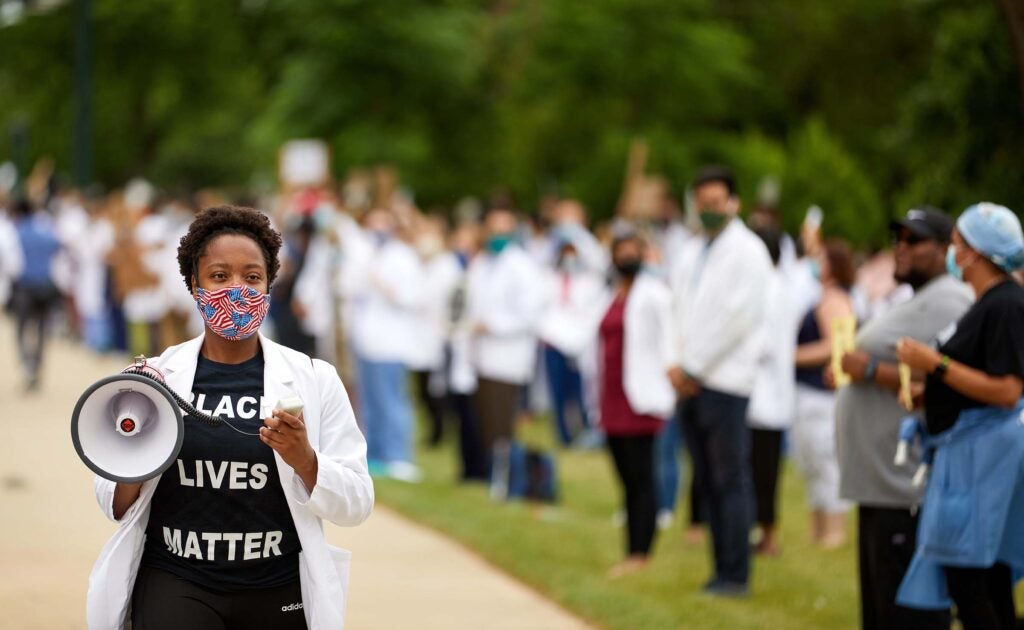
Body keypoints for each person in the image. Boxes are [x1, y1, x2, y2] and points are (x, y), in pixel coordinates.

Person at [87, 205, 373, 630]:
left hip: (278, 587)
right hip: (178, 579)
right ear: (193, 284)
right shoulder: (159, 377)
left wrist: (306, 460)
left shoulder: (314, 379)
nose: (237, 290)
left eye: (252, 277)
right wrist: (139, 441)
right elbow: (113, 501)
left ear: (269, 284)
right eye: (219, 276)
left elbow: (357, 503)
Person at [835, 207, 970, 629]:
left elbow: (956, 379)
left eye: (915, 240)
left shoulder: (950, 298)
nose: (902, 248)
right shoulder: (922, 297)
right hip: (880, 482)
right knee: (880, 607)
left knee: (904, 612)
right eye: (898, 239)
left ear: (948, 249)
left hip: (903, 485)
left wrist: (872, 371)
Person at [896, 202, 1024, 630]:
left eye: (957, 243)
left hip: (981, 458)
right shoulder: (987, 303)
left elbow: (1007, 390)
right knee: (985, 576)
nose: (953, 251)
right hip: (967, 454)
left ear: (975, 252)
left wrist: (934, 365)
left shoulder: (1005, 305)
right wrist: (928, 392)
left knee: (969, 575)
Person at [667, 166, 772, 596]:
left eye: (716, 203)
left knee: (730, 479)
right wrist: (676, 364)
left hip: (725, 381)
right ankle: (718, 569)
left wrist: (691, 365)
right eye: (701, 204)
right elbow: (678, 312)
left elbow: (735, 321)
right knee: (707, 480)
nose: (708, 211)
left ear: (733, 203)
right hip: (689, 380)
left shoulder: (748, 252)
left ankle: (736, 573)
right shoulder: (692, 251)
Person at [596, 233, 675, 577]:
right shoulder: (610, 296)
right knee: (625, 478)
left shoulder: (655, 295)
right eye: (620, 252)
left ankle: (640, 551)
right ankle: (632, 545)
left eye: (632, 252)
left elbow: (670, 341)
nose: (626, 258)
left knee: (642, 477)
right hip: (611, 396)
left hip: (641, 397)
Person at [347, 207, 426, 481]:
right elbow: (349, 288)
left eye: (382, 223)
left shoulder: (403, 256)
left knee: (393, 400)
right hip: (365, 340)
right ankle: (375, 455)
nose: (377, 229)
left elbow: (414, 297)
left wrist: (387, 287)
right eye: (372, 223)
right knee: (370, 402)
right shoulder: (364, 255)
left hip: (392, 344)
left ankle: (399, 455)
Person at [466, 205, 546, 476]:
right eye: (493, 229)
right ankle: (491, 472)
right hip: (482, 355)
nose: (497, 235)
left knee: (502, 423)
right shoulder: (482, 262)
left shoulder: (522, 266)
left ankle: (507, 476)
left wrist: (492, 324)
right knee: (486, 420)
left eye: (503, 230)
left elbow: (530, 313)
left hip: (508, 356)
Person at [792, 238, 856, 548]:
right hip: (807, 392)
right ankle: (819, 527)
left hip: (821, 394)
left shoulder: (835, 300)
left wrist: (792, 355)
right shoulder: (823, 297)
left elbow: (835, 345)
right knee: (811, 463)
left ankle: (834, 529)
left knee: (825, 460)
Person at [746, 226, 798, 557]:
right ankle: (765, 534)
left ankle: (767, 536)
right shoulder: (783, 285)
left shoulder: (767, 286)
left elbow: (762, 342)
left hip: (762, 392)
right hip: (774, 393)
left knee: (761, 471)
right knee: (766, 470)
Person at [10, 198, 62, 391]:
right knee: (41, 329)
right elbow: (57, 246)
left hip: (24, 286)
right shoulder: (44, 230)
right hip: (44, 286)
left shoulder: (15, 232)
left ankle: (27, 364)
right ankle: (37, 365)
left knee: (21, 329)